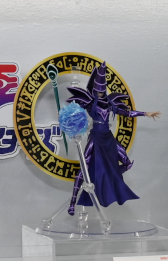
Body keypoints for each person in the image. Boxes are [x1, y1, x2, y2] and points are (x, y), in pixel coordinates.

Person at [62, 63, 160, 216]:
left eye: (102, 92)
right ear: (95, 90)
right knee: (84, 167)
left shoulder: (110, 104)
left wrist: (145, 113)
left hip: (108, 137)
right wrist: (64, 116)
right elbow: (75, 111)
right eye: (98, 92)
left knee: (126, 162)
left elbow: (127, 113)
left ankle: (109, 178)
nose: (100, 94)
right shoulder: (90, 103)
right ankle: (72, 203)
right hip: (96, 137)